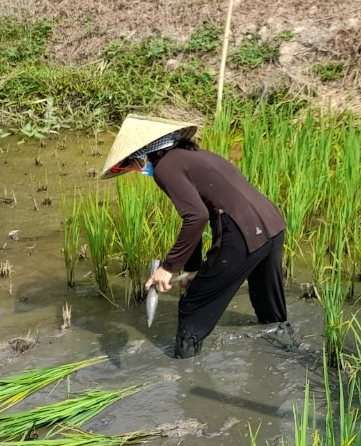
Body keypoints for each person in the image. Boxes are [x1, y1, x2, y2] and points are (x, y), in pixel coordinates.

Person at [101, 115, 287, 360]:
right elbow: (201, 215)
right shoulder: (201, 155)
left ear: (142, 154)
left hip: (243, 233)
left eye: (129, 165)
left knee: (192, 306)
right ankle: (284, 354)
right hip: (273, 226)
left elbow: (196, 217)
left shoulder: (166, 167)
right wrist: (192, 269)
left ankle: (185, 369)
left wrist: (168, 268)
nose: (135, 171)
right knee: (269, 308)